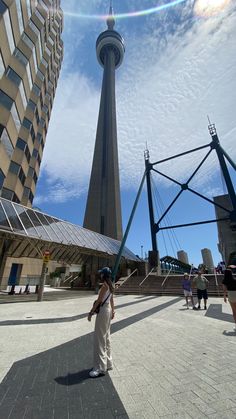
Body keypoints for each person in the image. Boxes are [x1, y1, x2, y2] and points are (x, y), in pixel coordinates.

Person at [88, 267, 115, 378]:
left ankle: (100, 368)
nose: (100, 276)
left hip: (103, 311)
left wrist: (91, 312)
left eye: (101, 274)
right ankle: (108, 363)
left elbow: (99, 300)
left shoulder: (104, 286)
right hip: (108, 311)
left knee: (100, 338)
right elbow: (112, 300)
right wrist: (113, 311)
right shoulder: (111, 286)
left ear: (104, 275)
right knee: (106, 337)